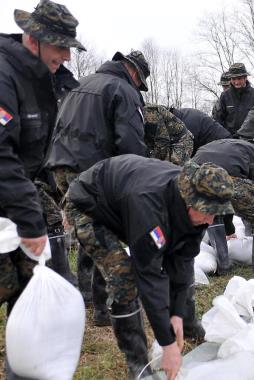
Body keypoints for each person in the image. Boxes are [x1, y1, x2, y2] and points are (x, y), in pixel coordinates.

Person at [65, 156, 233, 380]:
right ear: (189, 200)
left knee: (172, 263)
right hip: (88, 204)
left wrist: (176, 316)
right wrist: (168, 344)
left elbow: (182, 262)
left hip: (122, 200)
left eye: (214, 212)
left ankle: (188, 326)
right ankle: (137, 362)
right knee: (123, 275)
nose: (210, 220)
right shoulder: (149, 207)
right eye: (207, 211)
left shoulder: (194, 211)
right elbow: (150, 279)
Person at [0, 0, 84, 377]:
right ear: (34, 40)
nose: (66, 55)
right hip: (10, 202)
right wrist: (31, 221)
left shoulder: (46, 81)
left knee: (32, 287)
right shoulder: (4, 75)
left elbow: (36, 151)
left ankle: (26, 367)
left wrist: (50, 198)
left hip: (17, 198)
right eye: (59, 46)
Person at [46, 49, 150, 326]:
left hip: (60, 165)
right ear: (134, 73)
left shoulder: (80, 84)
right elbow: (129, 139)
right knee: (103, 231)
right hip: (92, 169)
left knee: (84, 230)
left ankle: (85, 295)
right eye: (140, 82)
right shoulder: (124, 90)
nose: (138, 87)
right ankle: (104, 307)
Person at [192, 139, 254, 274]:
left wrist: (229, 229)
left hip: (194, 171)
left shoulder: (235, 144)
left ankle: (223, 265)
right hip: (225, 175)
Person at [213, 62, 254, 135]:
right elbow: (219, 120)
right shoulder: (225, 96)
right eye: (233, 79)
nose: (236, 82)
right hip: (229, 139)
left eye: (239, 79)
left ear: (245, 78)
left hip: (250, 139)